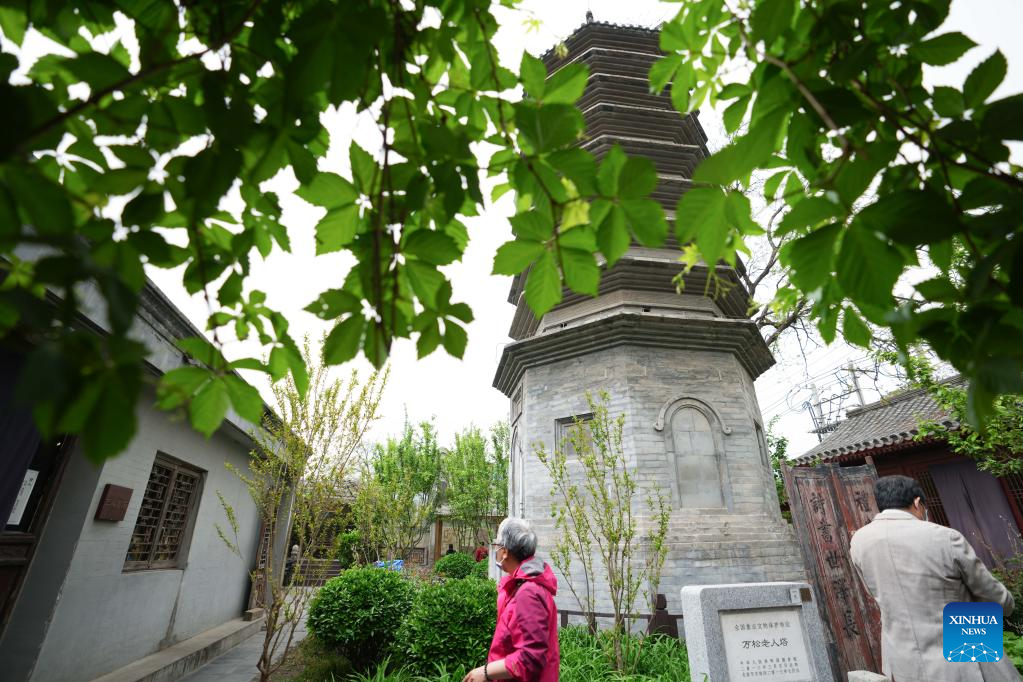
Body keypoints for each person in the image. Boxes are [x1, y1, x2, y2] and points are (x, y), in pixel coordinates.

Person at [850, 475, 1019, 682]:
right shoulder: (944, 536)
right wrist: (1007, 605)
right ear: (917, 502)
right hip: (963, 644)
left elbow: (873, 592)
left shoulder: (859, 541)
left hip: (904, 656)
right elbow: (988, 592)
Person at [462, 517, 558, 682]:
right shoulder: (520, 585)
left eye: (497, 545)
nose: (496, 550)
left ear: (505, 551)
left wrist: (486, 672)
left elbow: (531, 657)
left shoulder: (528, 592)